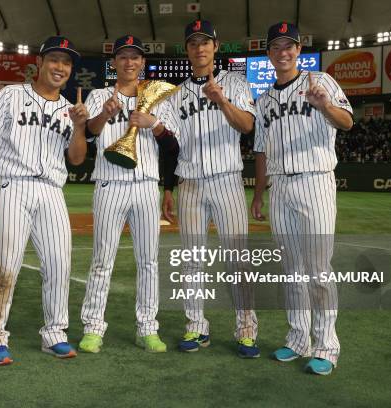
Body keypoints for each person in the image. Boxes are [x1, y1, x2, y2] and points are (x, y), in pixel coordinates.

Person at [0, 36, 88, 365]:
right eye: (54, 59)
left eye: (66, 63)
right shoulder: (11, 95)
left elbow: (78, 159)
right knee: (6, 266)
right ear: (39, 64)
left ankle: (55, 333)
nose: (60, 67)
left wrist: (80, 126)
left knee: (59, 265)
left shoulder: (70, 110)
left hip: (52, 190)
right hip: (11, 184)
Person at [251, 22, 353, 375]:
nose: (283, 52)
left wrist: (325, 106)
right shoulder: (263, 101)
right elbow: (261, 151)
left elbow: (347, 122)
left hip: (315, 182)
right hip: (280, 187)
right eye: (277, 47)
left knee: (318, 271)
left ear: (298, 50)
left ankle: (327, 345)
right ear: (269, 54)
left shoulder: (320, 81)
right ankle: (298, 339)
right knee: (291, 271)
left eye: (289, 46)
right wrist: (259, 195)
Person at [163, 19, 260, 357]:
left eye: (206, 42)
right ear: (187, 50)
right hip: (189, 184)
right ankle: (195, 328)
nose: (200, 48)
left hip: (226, 182)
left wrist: (221, 100)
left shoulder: (236, 83)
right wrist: (169, 187)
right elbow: (170, 144)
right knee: (192, 261)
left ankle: (246, 330)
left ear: (216, 47)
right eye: (193, 43)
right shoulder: (176, 95)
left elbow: (247, 125)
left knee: (238, 260)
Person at [78, 35, 180, 354]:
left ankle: (147, 328)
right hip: (110, 183)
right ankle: (93, 328)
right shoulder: (98, 95)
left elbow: (173, 147)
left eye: (135, 57)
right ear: (115, 63)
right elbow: (89, 133)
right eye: (123, 57)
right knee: (102, 259)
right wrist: (105, 114)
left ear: (142, 63)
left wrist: (155, 124)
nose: (129, 62)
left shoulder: (158, 97)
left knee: (148, 261)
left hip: (146, 185)